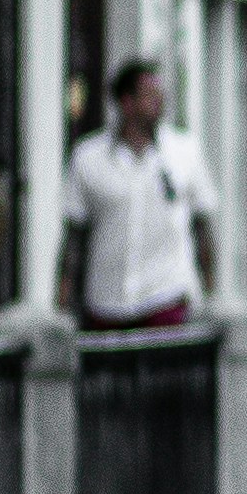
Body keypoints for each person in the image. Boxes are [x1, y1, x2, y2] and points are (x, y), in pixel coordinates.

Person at [59, 56, 221, 333]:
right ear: (126, 102)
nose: (159, 102)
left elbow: (202, 226)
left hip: (165, 299)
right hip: (106, 303)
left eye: (160, 95)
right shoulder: (88, 157)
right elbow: (74, 235)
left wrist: (210, 294)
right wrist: (62, 302)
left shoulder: (184, 152)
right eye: (149, 96)